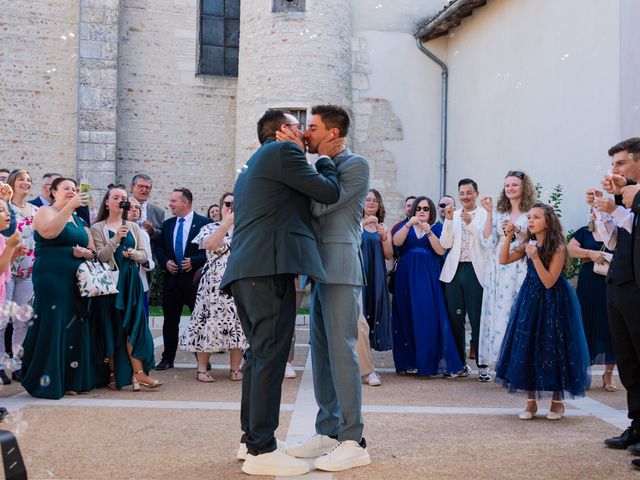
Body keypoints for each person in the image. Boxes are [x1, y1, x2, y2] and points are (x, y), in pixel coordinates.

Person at [220, 109, 340, 477]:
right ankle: (261, 449)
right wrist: (324, 159)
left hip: (248, 269)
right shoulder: (282, 153)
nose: (304, 131)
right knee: (270, 356)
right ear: (282, 132)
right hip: (267, 267)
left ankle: (251, 439)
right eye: (297, 124)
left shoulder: (256, 162)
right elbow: (328, 192)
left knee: (259, 356)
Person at [284, 105, 371, 473]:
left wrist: (313, 163)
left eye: (314, 127)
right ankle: (327, 430)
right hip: (318, 270)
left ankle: (353, 439)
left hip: (341, 269)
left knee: (342, 353)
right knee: (320, 356)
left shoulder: (355, 164)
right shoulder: (323, 163)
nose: (307, 133)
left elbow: (320, 206)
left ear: (334, 134)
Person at [496, 203, 590, 420]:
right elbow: (503, 259)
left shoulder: (558, 247)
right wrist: (508, 237)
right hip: (530, 298)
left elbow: (549, 282)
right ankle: (531, 403)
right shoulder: (528, 243)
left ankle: (557, 403)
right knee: (528, 345)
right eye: (529, 217)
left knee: (553, 345)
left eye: (536, 217)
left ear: (547, 222)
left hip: (554, 300)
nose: (530, 221)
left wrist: (536, 257)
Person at [588, 138, 640, 460]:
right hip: (618, 281)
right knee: (628, 360)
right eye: (613, 165)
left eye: (620, 163)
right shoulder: (629, 194)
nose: (614, 170)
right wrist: (605, 211)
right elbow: (614, 239)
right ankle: (636, 426)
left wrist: (618, 207)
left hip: (636, 285)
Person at [21, 178, 96, 399]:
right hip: (51, 277)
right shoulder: (45, 211)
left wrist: (85, 253)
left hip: (76, 279)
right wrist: (69, 207)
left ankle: (70, 380)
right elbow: (49, 232)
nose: (72, 192)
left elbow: (92, 250)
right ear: (53, 192)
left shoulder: (79, 219)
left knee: (73, 324)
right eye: (66, 189)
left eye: (74, 189)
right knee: (53, 322)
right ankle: (45, 380)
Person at [90, 184, 161, 390]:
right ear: (107, 201)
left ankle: (139, 374)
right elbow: (101, 257)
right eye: (116, 197)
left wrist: (132, 254)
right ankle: (113, 374)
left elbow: (144, 255)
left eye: (123, 198)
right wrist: (115, 240)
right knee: (112, 327)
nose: (120, 200)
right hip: (111, 283)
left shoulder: (134, 227)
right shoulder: (98, 228)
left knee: (134, 326)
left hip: (131, 282)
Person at [180, 192, 247, 382]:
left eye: (235, 204)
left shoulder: (247, 230)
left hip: (238, 284)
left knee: (238, 326)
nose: (231, 207)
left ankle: (235, 368)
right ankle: (202, 369)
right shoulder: (210, 227)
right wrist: (226, 223)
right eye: (227, 204)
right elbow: (210, 245)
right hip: (212, 287)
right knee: (206, 323)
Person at [391, 196, 462, 377]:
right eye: (419, 208)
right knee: (405, 315)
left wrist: (429, 232)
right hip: (405, 277)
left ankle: (427, 363)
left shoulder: (437, 227)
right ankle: (406, 362)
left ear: (431, 212)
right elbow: (396, 242)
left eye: (426, 209)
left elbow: (440, 250)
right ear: (413, 210)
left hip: (428, 278)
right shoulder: (404, 226)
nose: (422, 211)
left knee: (427, 316)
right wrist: (408, 225)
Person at [477, 170, 536, 381]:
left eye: (514, 185)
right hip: (499, 269)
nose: (510, 188)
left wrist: (517, 231)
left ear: (524, 188)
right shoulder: (500, 214)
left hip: (521, 267)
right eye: (507, 185)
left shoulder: (532, 212)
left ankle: (520, 363)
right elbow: (487, 241)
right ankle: (503, 364)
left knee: (518, 312)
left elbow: (536, 238)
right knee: (500, 315)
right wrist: (490, 214)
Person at [155, 188, 211, 370]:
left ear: (185, 203)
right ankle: (167, 358)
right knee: (170, 321)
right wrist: (165, 262)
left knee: (199, 320)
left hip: (194, 282)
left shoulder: (205, 223)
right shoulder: (168, 224)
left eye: (173, 201)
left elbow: (211, 251)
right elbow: (160, 248)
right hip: (172, 281)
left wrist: (194, 261)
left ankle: (202, 360)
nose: (170, 204)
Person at [439, 178, 488, 379]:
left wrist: (472, 225)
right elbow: (445, 243)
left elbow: (487, 242)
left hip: (477, 272)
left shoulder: (486, 215)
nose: (465, 196)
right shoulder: (454, 215)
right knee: (455, 319)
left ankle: (483, 367)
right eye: (461, 193)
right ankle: (459, 365)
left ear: (476, 193)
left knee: (478, 319)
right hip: (454, 271)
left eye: (469, 192)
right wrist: (449, 221)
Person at [567, 211, 616, 391]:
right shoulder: (584, 232)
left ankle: (608, 374)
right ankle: (583, 372)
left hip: (611, 282)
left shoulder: (616, 233)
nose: (599, 216)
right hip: (588, 283)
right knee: (585, 323)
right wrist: (590, 253)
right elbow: (569, 249)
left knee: (611, 325)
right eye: (595, 212)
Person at [2, 170, 39, 383]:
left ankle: (17, 365)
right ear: (12, 183)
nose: (26, 182)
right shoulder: (4, 208)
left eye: (28, 179)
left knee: (21, 321)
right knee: (1, 320)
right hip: (6, 271)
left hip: (27, 273)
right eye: (21, 179)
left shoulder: (35, 210)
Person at [361, 189, 393, 352]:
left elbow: (388, 255)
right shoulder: (356, 223)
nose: (371, 203)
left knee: (374, 309)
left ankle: (369, 354)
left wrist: (384, 237)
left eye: (375, 200)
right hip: (361, 272)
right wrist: (363, 225)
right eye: (367, 200)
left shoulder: (383, 226)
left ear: (379, 205)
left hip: (376, 274)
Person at [127, 198, 155, 317]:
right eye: (130, 207)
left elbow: (150, 262)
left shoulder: (143, 234)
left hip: (140, 283)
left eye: (137, 208)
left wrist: (143, 261)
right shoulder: (115, 229)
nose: (134, 210)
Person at [130, 174, 165, 239]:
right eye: (140, 186)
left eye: (147, 187)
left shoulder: (159, 212)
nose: (144, 190)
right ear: (132, 188)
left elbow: (163, 237)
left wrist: (151, 231)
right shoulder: (122, 208)